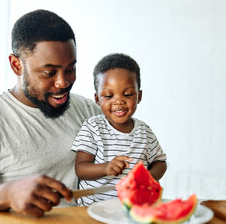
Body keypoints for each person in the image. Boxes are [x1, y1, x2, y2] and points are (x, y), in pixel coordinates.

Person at [0, 9, 100, 224]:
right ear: (16, 65)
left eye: (70, 69)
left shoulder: (88, 111)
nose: (63, 82)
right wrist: (5, 194)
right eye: (49, 72)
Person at [71, 53, 167, 206]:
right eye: (109, 96)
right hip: (92, 209)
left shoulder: (145, 132)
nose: (118, 101)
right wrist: (105, 168)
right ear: (97, 99)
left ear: (139, 96)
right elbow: (81, 168)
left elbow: (160, 163)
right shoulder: (93, 127)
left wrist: (148, 177)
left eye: (127, 94)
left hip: (131, 208)